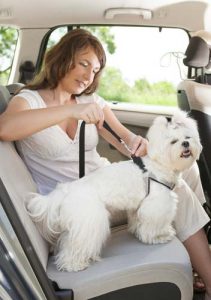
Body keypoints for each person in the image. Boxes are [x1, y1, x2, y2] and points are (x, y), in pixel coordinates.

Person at [0, 28, 210, 299]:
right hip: (75, 206)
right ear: (62, 58)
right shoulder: (27, 100)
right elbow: (5, 128)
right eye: (83, 63)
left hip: (107, 189)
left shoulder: (92, 101)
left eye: (95, 70)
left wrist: (136, 142)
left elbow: (126, 138)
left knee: (184, 173)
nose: (89, 76)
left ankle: (194, 256)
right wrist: (71, 110)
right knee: (171, 187)